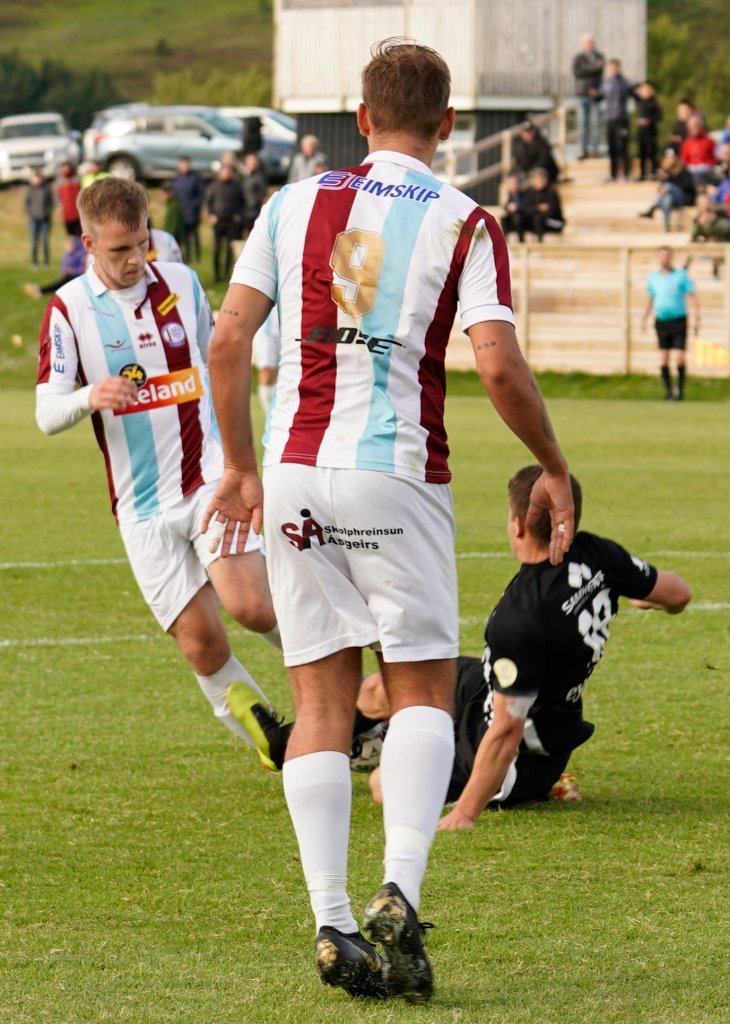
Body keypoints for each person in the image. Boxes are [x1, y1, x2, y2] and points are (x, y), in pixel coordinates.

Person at [201, 38, 574, 1004]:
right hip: (396, 473)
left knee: (322, 703)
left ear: (361, 120)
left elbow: (228, 340)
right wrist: (553, 463)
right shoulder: (464, 218)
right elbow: (497, 363)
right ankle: (397, 894)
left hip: (296, 476)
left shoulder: (290, 204)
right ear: (447, 125)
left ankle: (330, 921)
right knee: (417, 692)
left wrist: (238, 467)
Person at [34, 177, 283, 774]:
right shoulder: (68, 308)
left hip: (208, 483)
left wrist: (241, 461)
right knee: (202, 643)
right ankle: (278, 742)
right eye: (120, 249)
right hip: (142, 510)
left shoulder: (182, 284)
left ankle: (350, 701)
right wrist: (91, 395)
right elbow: (46, 413)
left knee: (253, 606)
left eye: (142, 242)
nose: (135, 259)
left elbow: (220, 369)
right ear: (89, 243)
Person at [360, 465, 691, 821]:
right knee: (378, 689)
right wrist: (646, 597)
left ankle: (396, 748)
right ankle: (364, 741)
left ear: (517, 525)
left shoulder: (520, 618)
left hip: (524, 756)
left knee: (383, 785)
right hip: (493, 690)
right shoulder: (596, 552)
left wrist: (465, 814)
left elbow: (507, 730)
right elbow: (678, 594)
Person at [641, 246, 700, 401]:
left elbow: (693, 296)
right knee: (663, 358)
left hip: (679, 320)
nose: (664, 258)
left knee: (679, 357)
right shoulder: (654, 277)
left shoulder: (681, 275)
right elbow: (650, 298)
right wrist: (644, 318)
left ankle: (680, 391)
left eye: (667, 255)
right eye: (662, 255)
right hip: (661, 321)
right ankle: (668, 392)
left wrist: (697, 317)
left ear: (671, 257)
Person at [639, 150, 696, 231]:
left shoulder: (683, 171)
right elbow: (661, 190)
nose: (669, 160)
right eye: (668, 157)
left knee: (668, 186)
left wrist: (670, 185)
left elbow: (688, 186)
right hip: (672, 199)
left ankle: (652, 209)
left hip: (684, 198)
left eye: (671, 157)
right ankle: (666, 225)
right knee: (668, 198)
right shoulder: (666, 172)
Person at [206, 163, 245, 282]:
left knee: (229, 249)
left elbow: (242, 202)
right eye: (224, 172)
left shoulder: (237, 186)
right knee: (217, 248)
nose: (227, 174)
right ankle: (217, 275)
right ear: (220, 173)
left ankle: (227, 274)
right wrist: (211, 215)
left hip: (232, 221)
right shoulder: (214, 186)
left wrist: (238, 214)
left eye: (229, 172)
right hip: (218, 220)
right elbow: (209, 202)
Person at [572, 34, 605, 159]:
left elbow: (599, 71)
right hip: (582, 94)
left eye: (591, 42)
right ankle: (583, 149)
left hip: (595, 95)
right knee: (582, 124)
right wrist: (593, 68)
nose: (589, 45)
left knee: (596, 123)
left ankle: (594, 150)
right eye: (587, 43)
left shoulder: (599, 57)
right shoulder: (578, 58)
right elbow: (578, 72)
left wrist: (595, 90)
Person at [601, 59, 632, 182]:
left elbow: (629, 93)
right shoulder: (606, 83)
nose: (612, 70)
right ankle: (613, 174)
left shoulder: (624, 83)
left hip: (621, 119)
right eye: (610, 68)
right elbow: (600, 95)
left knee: (622, 147)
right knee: (612, 147)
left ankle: (625, 174)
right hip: (610, 118)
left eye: (614, 67)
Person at [173, 156, 205, 262]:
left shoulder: (195, 177)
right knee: (185, 236)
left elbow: (201, 194)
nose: (185, 167)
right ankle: (187, 256)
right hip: (181, 211)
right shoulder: (177, 178)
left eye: (186, 164)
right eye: (182, 164)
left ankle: (197, 256)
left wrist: (194, 206)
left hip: (193, 211)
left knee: (195, 234)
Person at [521, 167, 565, 241]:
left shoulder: (551, 192)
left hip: (553, 222)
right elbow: (525, 209)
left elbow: (553, 210)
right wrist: (538, 207)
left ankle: (540, 242)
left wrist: (538, 209)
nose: (539, 182)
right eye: (537, 179)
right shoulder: (529, 192)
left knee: (538, 218)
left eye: (541, 179)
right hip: (535, 222)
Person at [252, 306, 280, 412]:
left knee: (281, 372)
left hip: (283, 328)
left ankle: (277, 411)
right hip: (266, 330)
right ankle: (270, 413)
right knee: (267, 371)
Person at [25, 170, 55, 268]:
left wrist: (47, 212)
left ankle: (46, 262)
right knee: (34, 242)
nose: (38, 180)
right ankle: (34, 262)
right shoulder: (30, 190)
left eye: (39, 178)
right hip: (34, 220)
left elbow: (51, 203)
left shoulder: (46, 189)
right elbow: (26, 204)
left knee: (45, 241)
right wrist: (32, 212)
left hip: (45, 220)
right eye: (36, 178)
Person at [634, 82, 662, 180]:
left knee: (652, 153)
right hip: (642, 132)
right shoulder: (640, 102)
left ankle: (653, 173)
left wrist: (649, 121)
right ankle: (642, 174)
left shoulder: (654, 103)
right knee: (642, 153)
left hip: (651, 132)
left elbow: (659, 117)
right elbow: (633, 90)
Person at [679, 115, 717, 188]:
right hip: (691, 170)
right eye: (691, 126)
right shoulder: (687, 143)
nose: (694, 128)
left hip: (706, 170)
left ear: (701, 126)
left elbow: (715, 158)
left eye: (696, 125)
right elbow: (683, 161)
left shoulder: (709, 140)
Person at [241, 151, 268, 236]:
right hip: (243, 211)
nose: (251, 164)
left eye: (253, 162)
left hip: (254, 211)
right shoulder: (243, 176)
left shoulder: (260, 177)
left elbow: (262, 193)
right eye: (249, 162)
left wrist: (253, 205)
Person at [56, 162, 82, 236]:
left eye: (67, 167)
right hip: (66, 212)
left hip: (77, 211)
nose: (66, 169)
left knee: (79, 233)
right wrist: (60, 208)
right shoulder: (59, 181)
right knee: (70, 235)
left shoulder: (77, 178)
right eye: (64, 167)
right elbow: (57, 197)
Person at [500, 171, 526, 243]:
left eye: (514, 183)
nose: (512, 185)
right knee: (504, 218)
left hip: (523, 218)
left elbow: (527, 205)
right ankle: (505, 241)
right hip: (512, 220)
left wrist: (517, 207)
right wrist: (508, 207)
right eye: (510, 183)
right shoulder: (509, 194)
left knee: (518, 217)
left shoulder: (524, 193)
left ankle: (521, 241)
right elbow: (505, 205)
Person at [161, 181, 186, 249]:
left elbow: (175, 226)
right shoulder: (170, 204)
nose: (163, 195)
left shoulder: (174, 206)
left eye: (164, 193)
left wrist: (168, 237)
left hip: (173, 238)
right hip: (169, 236)